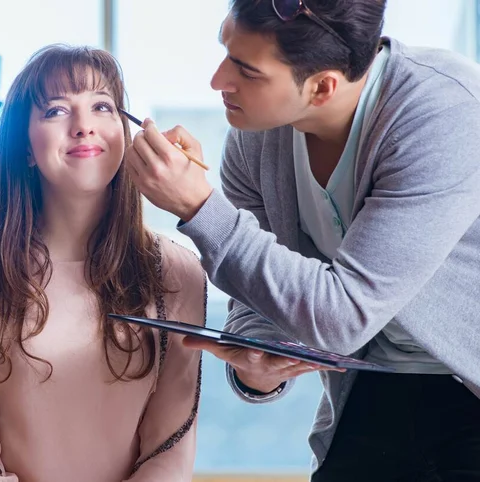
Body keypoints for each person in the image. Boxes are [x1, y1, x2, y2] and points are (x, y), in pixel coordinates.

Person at [125, 0, 480, 480]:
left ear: (322, 87)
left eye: (246, 70)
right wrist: (259, 355)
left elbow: (342, 316)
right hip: (369, 393)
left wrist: (198, 207)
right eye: (226, 50)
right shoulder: (255, 137)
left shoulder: (443, 115)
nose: (217, 80)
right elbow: (260, 282)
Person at [0, 44, 206, 482]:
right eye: (57, 111)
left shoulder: (176, 272)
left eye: (101, 106)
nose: (83, 127)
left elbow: (170, 447)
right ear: (25, 147)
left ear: (126, 132)